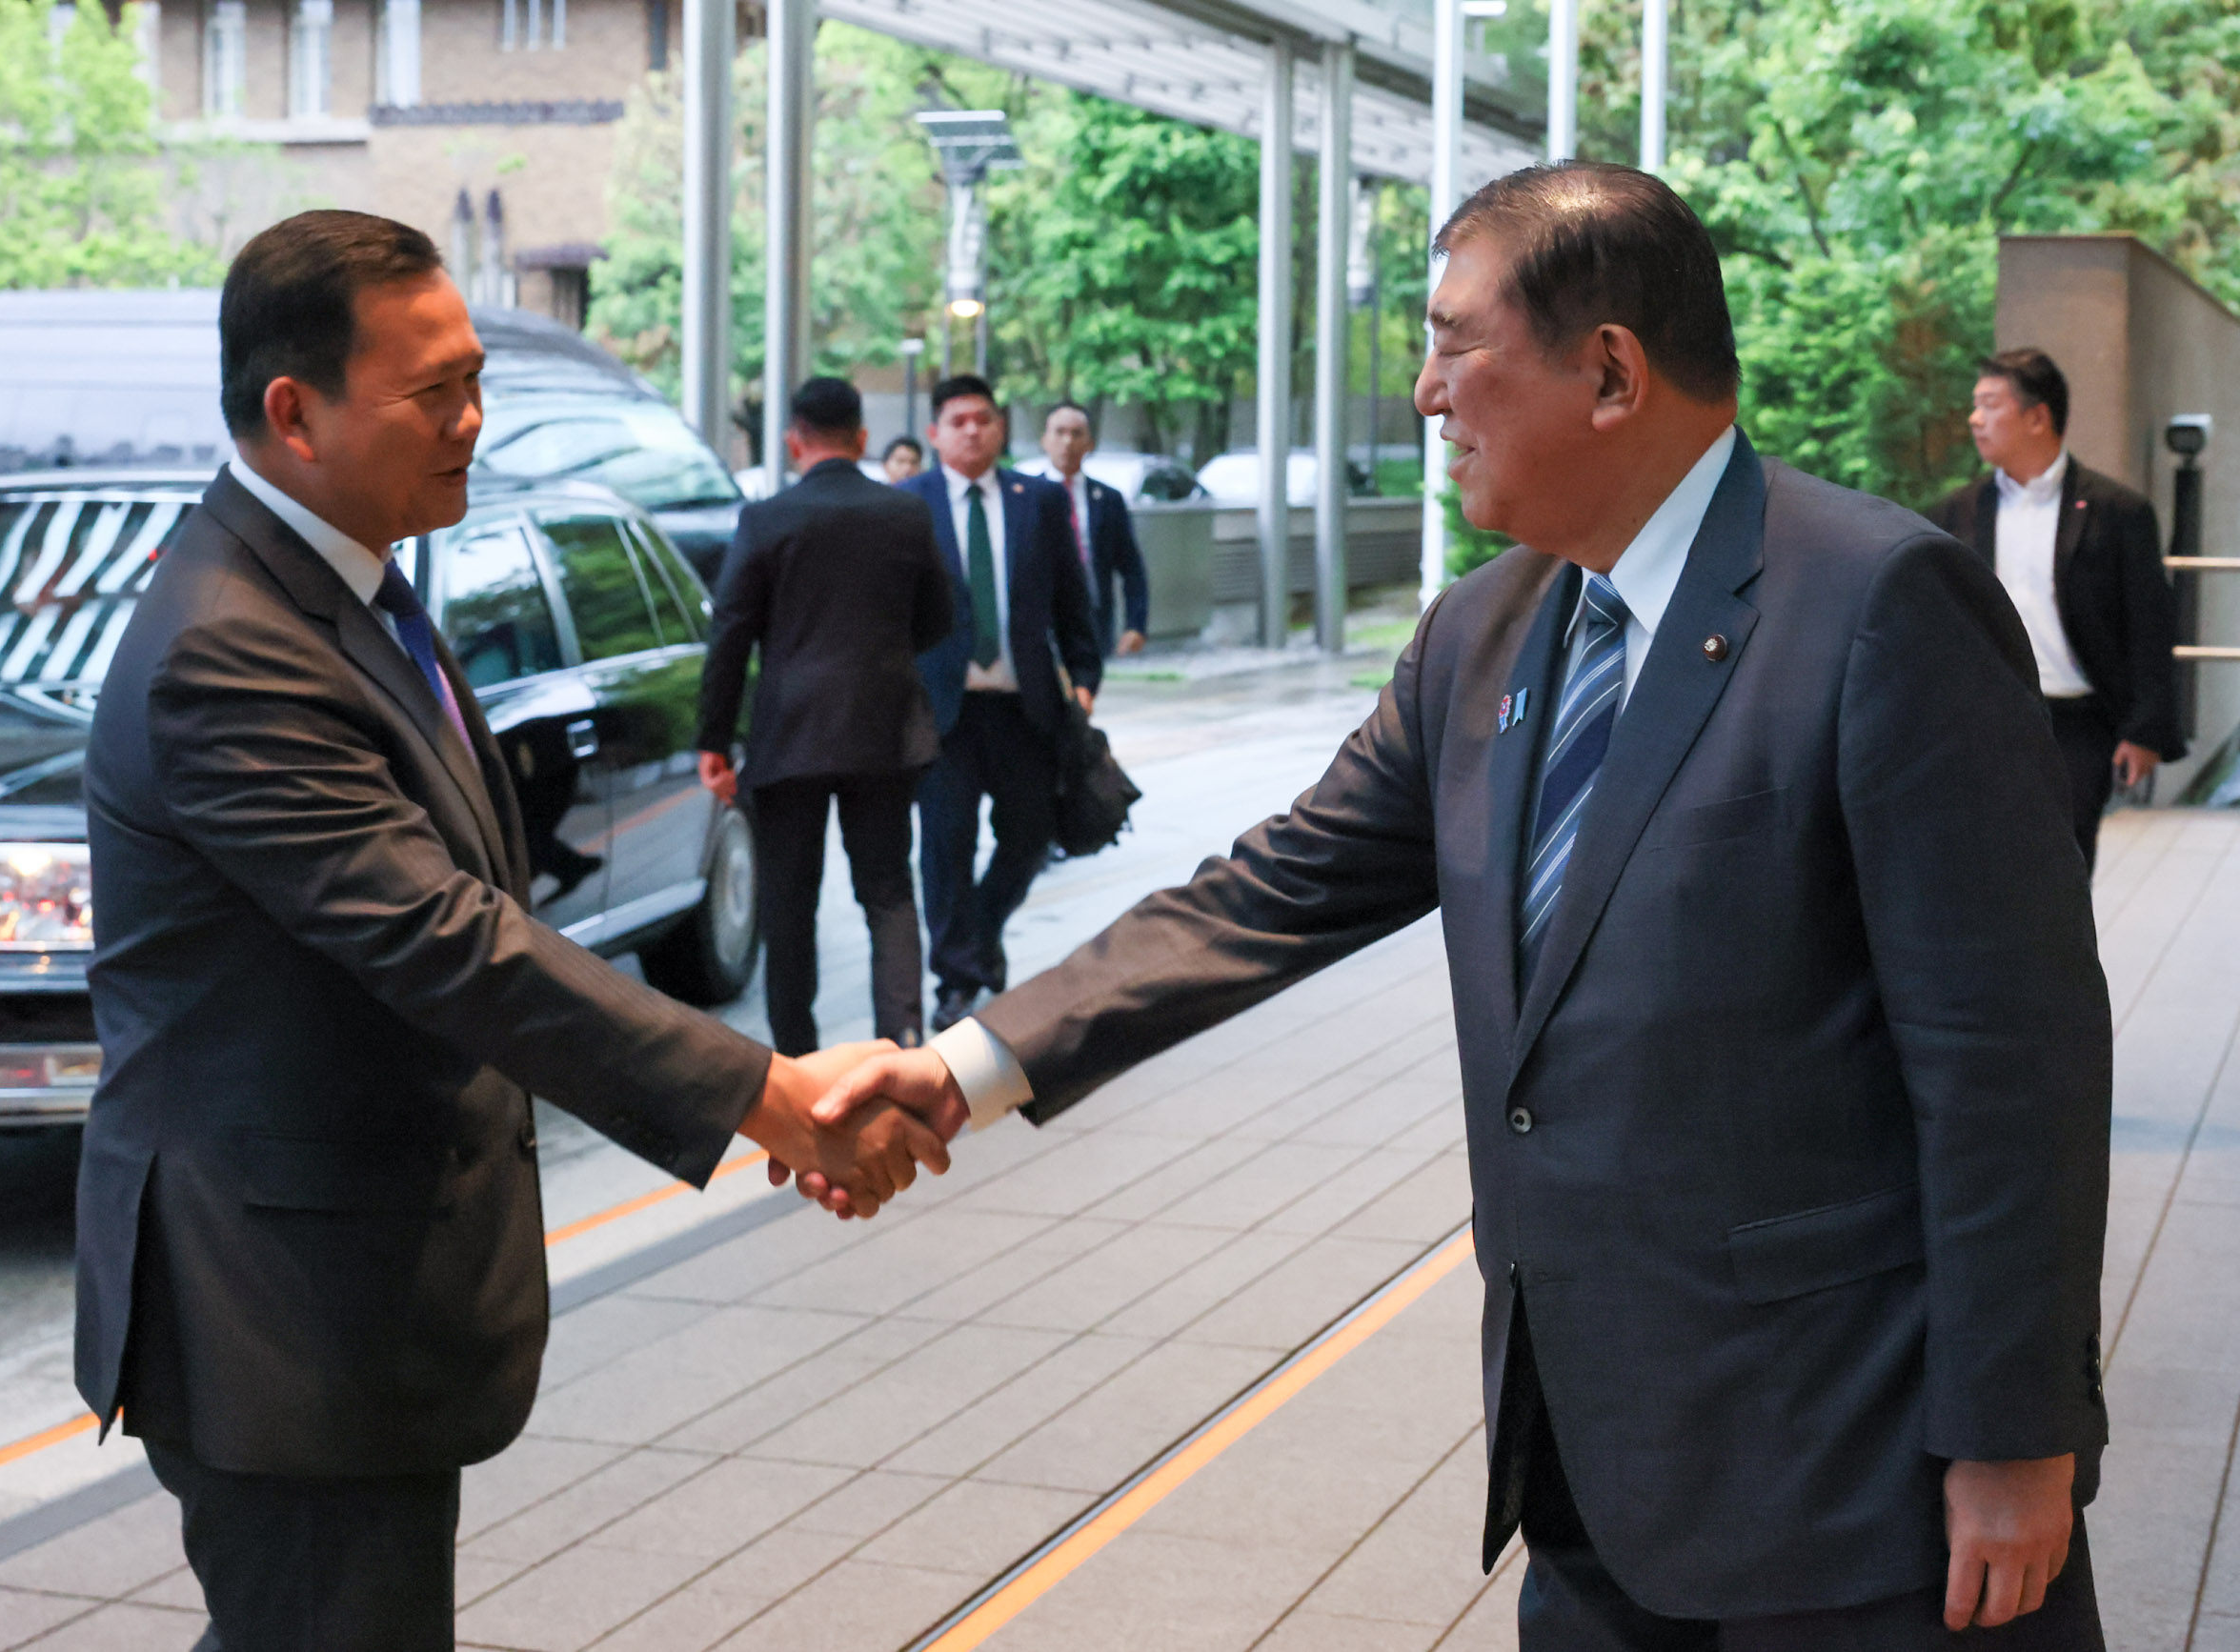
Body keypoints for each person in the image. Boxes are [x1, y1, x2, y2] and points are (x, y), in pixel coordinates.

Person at [811, 164, 2110, 1649]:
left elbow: (2010, 1059)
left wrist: (2017, 1433)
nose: (1427, 393)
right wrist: (963, 1068)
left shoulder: (1880, 603)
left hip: (1849, 1479)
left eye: (1452, 344)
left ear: (1609, 371)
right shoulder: (1481, 633)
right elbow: (1269, 890)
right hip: (1586, 1473)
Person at [76, 212, 944, 1652]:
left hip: (344, 1302)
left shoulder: (350, 581)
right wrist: (770, 1095)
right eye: (433, 391)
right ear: (294, 412)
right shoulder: (229, 649)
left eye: (478, 379)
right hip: (279, 1321)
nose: (472, 420)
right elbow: (444, 938)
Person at [696, 376, 953, 1055]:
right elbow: (939, 617)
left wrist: (714, 738)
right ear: (862, 438)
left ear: (794, 440)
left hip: (791, 735)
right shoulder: (906, 514)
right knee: (888, 892)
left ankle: (797, 1057)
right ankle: (901, 1043)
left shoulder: (766, 519)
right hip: (885, 731)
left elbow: (730, 634)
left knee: (789, 904)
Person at [898, 375, 1103, 1034]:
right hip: (944, 714)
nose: (972, 430)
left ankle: (978, 936)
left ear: (1001, 429)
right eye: (958, 421)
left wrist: (1085, 677)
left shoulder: (1037, 500)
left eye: (983, 419)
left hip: (1025, 709)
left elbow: (1072, 598)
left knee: (1029, 838)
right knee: (946, 847)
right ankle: (957, 979)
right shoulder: (908, 505)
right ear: (935, 433)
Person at [1930, 348, 2186, 873]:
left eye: (1990, 405)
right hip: (1983, 719)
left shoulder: (2118, 512)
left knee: (2062, 871)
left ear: (2037, 417)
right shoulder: (1955, 513)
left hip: (2077, 724)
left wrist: (2144, 730)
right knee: (1982, 869)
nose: (1974, 419)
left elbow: (2149, 625)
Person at [1036, 401, 1150, 658]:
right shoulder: (1027, 496)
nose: (1068, 442)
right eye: (1059, 432)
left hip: (1092, 619)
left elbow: (1131, 566)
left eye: (1077, 434)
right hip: (1040, 621)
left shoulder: (1108, 499)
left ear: (1090, 443)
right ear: (1045, 440)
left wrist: (1136, 623)